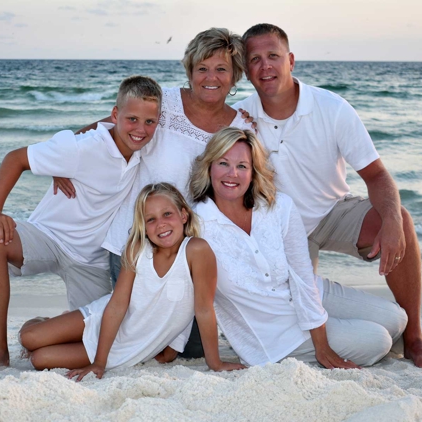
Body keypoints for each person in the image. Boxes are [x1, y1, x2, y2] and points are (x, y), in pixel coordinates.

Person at [55, 28, 253, 358]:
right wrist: (64, 156)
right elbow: (108, 128)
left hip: (189, 252)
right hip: (135, 241)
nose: (211, 77)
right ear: (189, 70)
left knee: (191, 349)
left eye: (221, 69)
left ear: (235, 76)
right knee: (136, 333)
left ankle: (70, 332)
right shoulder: (166, 103)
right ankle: (56, 333)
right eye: (202, 68)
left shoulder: (241, 126)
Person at [232, 23, 422, 366]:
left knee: (400, 220)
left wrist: (392, 219)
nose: (265, 66)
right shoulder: (240, 118)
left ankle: (414, 336)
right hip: (279, 230)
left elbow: (376, 175)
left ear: (291, 60)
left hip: (333, 212)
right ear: (246, 70)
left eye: (273, 56)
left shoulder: (331, 107)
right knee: (303, 315)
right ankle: (349, 328)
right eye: (255, 59)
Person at [0, 76, 163, 376]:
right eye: (132, 119)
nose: (141, 130)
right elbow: (15, 159)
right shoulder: (82, 148)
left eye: (149, 122)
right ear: (115, 115)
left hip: (91, 260)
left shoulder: (143, 147)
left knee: (106, 339)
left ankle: (40, 329)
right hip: (48, 237)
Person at [189, 127, 408, 368]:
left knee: (397, 319)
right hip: (275, 335)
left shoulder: (278, 206)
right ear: (209, 167)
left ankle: (339, 330)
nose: (232, 174)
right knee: (377, 340)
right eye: (223, 163)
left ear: (253, 172)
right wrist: (320, 347)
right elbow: (193, 297)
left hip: (311, 293)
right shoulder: (196, 226)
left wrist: (321, 340)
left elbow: (302, 275)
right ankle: (341, 336)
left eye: (242, 166)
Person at [18, 183, 245, 380]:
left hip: (135, 345)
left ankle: (61, 330)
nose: (161, 224)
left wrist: (214, 363)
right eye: (151, 219)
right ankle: (45, 321)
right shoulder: (136, 249)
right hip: (106, 321)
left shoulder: (196, 250)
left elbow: (204, 310)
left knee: (39, 359)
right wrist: (99, 362)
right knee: (29, 338)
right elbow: (117, 306)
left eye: (167, 214)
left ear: (183, 216)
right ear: (144, 227)